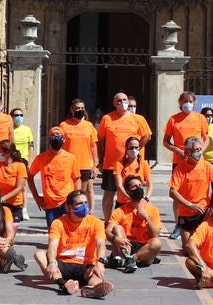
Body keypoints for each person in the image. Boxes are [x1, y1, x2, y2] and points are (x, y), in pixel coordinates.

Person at [33, 189, 115, 298]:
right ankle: (63, 283)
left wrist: (100, 262)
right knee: (39, 254)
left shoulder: (96, 222)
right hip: (63, 263)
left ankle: (92, 289)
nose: (84, 206)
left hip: (86, 264)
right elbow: (52, 245)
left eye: (86, 203)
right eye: (80, 203)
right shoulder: (58, 223)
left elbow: (101, 244)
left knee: (97, 274)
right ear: (69, 207)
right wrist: (52, 262)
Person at [98, 91, 152, 219]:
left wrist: (136, 149)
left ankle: (133, 217)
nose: (123, 103)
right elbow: (100, 140)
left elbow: (147, 136)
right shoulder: (107, 118)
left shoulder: (138, 119)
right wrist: (100, 159)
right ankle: (108, 220)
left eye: (125, 100)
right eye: (119, 100)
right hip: (111, 164)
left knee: (132, 192)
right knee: (109, 194)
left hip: (132, 165)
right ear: (114, 103)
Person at [164, 91, 209, 236]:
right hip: (180, 161)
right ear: (180, 103)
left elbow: (206, 137)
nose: (187, 103)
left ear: (195, 102)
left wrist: (201, 149)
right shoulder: (173, 119)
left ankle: (201, 224)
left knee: (200, 191)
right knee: (177, 193)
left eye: (190, 101)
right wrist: (178, 150)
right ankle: (178, 225)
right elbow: (166, 141)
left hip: (198, 161)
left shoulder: (200, 118)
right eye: (184, 101)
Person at [169, 135, 213, 244]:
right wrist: (190, 205)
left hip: (204, 211)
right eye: (196, 150)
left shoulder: (206, 166)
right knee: (188, 249)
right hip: (186, 212)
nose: (199, 152)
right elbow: (172, 192)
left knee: (201, 245)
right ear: (188, 152)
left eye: (200, 149)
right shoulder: (180, 169)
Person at [105, 174, 163, 272]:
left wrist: (147, 218)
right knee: (117, 228)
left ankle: (128, 260)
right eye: (134, 186)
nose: (138, 188)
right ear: (127, 191)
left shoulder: (152, 210)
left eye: (140, 186)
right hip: (126, 245)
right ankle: (127, 258)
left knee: (157, 243)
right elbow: (108, 231)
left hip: (144, 249)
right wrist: (116, 239)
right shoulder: (120, 211)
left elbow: (155, 234)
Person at [29, 130, 82, 228]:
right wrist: (36, 197)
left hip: (67, 203)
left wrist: (76, 199)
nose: (56, 138)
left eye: (59, 135)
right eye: (54, 135)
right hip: (50, 204)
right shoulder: (41, 158)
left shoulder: (71, 158)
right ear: (49, 139)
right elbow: (30, 176)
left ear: (64, 139)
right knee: (53, 234)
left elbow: (77, 179)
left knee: (69, 232)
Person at [56, 99, 98, 206]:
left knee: (81, 192)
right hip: (68, 164)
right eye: (77, 108)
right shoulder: (64, 125)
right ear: (72, 110)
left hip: (84, 164)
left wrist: (95, 165)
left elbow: (93, 146)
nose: (80, 110)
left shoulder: (89, 125)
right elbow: (58, 145)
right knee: (68, 190)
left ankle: (82, 211)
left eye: (82, 108)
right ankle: (68, 209)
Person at [0, 139, 28, 222]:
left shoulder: (20, 166)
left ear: (8, 152)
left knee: (11, 232)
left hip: (15, 204)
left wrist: (3, 198)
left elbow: (19, 188)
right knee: (2, 230)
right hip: (1, 204)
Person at [113, 135, 152, 207]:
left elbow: (150, 185)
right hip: (123, 202)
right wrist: (129, 198)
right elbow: (119, 185)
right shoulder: (119, 164)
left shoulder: (144, 163)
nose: (134, 150)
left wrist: (146, 199)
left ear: (139, 148)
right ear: (126, 148)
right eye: (131, 147)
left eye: (136, 147)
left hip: (139, 202)